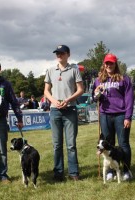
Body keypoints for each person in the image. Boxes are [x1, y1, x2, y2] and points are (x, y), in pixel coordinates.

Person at [44, 45, 84, 181]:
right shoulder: (50, 70)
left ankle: (73, 173)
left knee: (71, 144)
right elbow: (46, 91)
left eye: (62, 53)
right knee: (57, 145)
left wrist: (68, 99)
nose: (59, 55)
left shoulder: (74, 70)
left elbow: (80, 89)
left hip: (70, 109)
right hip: (55, 110)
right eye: (57, 53)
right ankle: (58, 172)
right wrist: (54, 101)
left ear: (68, 54)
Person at [92, 53, 134, 181]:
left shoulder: (124, 79)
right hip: (105, 115)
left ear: (115, 64)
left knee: (123, 144)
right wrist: (96, 94)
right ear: (104, 65)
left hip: (121, 115)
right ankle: (110, 170)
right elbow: (94, 98)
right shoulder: (98, 80)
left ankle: (126, 170)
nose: (109, 65)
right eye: (107, 63)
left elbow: (129, 98)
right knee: (107, 143)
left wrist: (128, 117)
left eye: (111, 63)